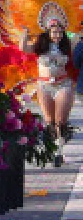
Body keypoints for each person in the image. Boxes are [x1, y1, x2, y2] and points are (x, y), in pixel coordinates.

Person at [23, 20, 75, 166]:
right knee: (49, 121)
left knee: (60, 120)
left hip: (63, 84)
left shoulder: (67, 45)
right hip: (44, 85)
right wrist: (26, 33)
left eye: (60, 32)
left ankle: (59, 152)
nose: (57, 35)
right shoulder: (40, 47)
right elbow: (23, 48)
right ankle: (53, 150)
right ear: (48, 32)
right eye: (54, 32)